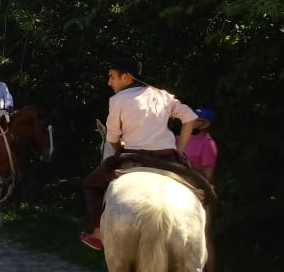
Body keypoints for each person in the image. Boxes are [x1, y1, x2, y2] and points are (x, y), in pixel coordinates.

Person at [80, 56, 211, 251]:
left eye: (112, 77)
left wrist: (119, 148)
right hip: (168, 158)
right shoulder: (162, 95)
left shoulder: (118, 100)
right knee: (202, 189)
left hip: (134, 156)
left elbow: (112, 137)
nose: (109, 82)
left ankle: (98, 233)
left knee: (91, 184)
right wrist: (179, 150)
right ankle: (198, 238)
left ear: (126, 77)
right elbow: (190, 118)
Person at [185, 107, 219, 272]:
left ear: (205, 124)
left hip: (199, 192)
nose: (192, 122)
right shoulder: (184, 139)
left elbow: (208, 175)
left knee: (203, 233)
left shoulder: (208, 144)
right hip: (182, 188)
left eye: (196, 119)